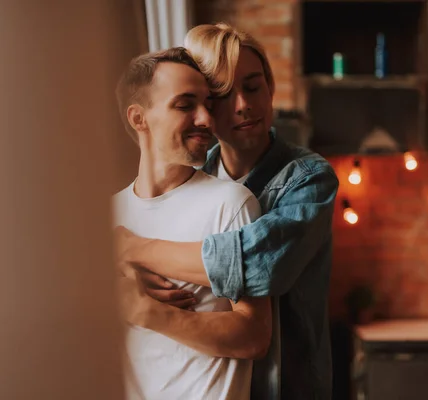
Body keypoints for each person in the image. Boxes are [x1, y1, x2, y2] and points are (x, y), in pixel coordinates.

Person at [116, 23, 339, 399]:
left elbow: (255, 264)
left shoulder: (308, 179)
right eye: (221, 95)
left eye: (253, 86)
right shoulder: (192, 180)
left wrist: (128, 247)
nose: (242, 105)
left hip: (285, 387)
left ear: (270, 88)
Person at [113, 47, 272, 400]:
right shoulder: (108, 216)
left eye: (207, 105)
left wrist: (145, 310)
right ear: (139, 118)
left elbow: (255, 336)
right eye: (185, 105)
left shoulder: (230, 204)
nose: (206, 119)